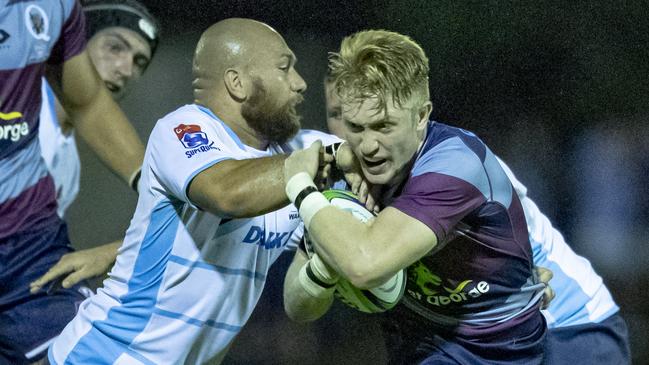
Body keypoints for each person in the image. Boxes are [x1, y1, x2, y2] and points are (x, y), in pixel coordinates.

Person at [48, 18, 342, 365]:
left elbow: (380, 158)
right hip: (110, 355)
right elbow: (226, 194)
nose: (300, 82)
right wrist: (323, 162)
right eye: (284, 68)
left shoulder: (296, 152)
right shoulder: (183, 130)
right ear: (237, 82)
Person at [283, 29, 547, 364]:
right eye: (356, 127)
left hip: (495, 353)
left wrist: (300, 189)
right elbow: (296, 304)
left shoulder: (456, 165)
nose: (368, 146)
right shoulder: (347, 179)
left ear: (421, 115)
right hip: (416, 349)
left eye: (383, 126)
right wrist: (323, 265)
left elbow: (366, 265)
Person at [323, 77, 631, 363]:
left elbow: (534, 279)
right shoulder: (339, 180)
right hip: (456, 336)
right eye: (340, 115)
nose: (355, 132)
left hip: (564, 329)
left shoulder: (449, 173)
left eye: (373, 115)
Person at [0, 1, 147, 363]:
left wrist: (163, 188)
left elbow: (88, 103)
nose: (125, 68)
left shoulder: (55, 8)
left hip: (28, 245)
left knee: (98, 353)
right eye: (115, 47)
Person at [29, 0, 160, 295]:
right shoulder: (21, 103)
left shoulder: (70, 164)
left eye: (139, 61)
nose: (126, 69)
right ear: (76, 43)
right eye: (115, 47)